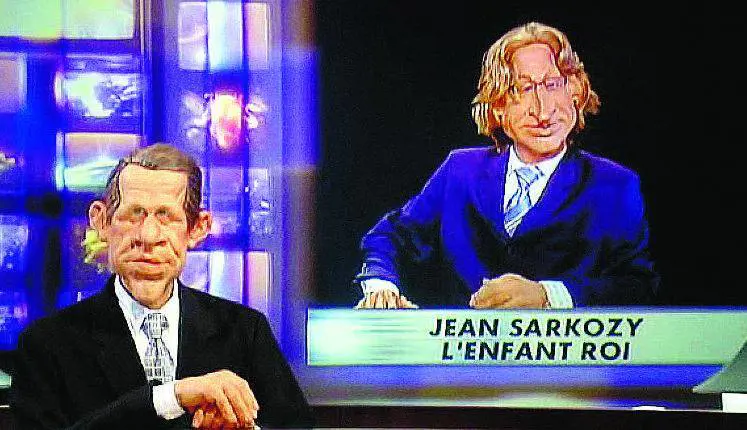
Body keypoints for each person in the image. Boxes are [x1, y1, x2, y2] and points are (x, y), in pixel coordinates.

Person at [354, 22, 658, 310]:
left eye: (552, 85)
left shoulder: (615, 185)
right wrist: (382, 287)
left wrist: (547, 295)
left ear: (575, 92)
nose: (543, 111)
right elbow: (390, 236)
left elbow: (637, 285)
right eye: (522, 89)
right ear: (497, 106)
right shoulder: (460, 170)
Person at [10, 144, 313, 429]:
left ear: (197, 229)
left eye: (166, 217)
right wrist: (170, 397)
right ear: (101, 222)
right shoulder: (47, 344)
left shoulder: (245, 332)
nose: (148, 237)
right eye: (133, 215)